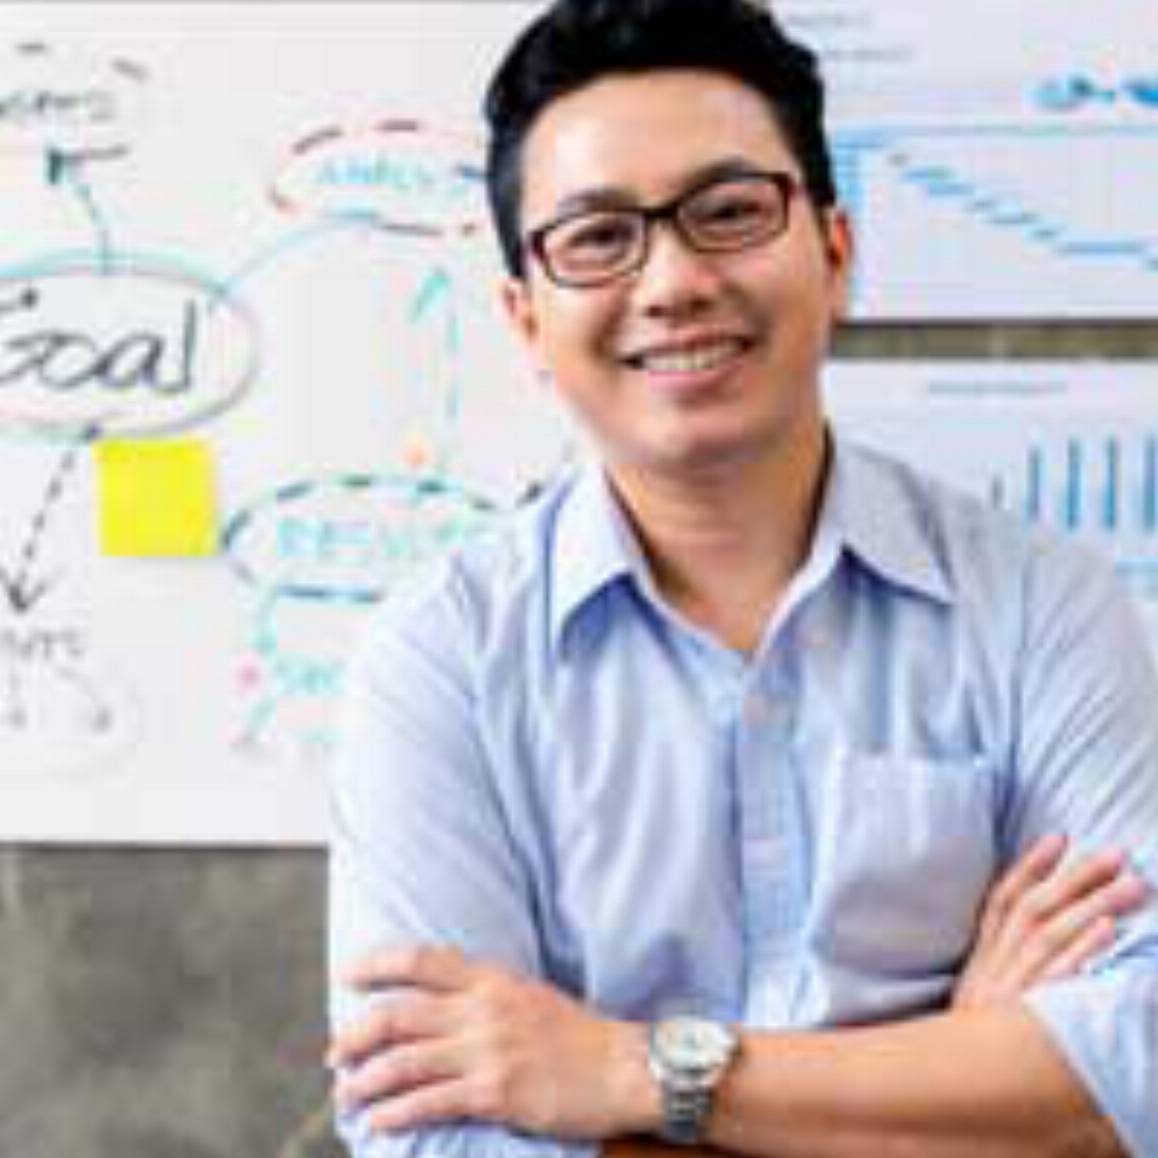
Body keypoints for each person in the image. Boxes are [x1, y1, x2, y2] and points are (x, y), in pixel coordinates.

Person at [326, 0, 1158, 1154]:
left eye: (727, 213)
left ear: (837, 253)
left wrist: (620, 1074)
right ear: (525, 316)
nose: (670, 282)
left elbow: (1134, 1072)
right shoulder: (440, 663)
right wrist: (963, 1073)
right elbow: (435, 1139)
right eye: (598, 238)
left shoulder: (1044, 610)